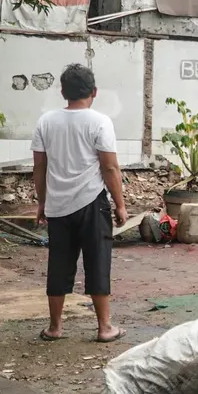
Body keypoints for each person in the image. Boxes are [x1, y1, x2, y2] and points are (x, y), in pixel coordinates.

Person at [32, 64, 128, 344]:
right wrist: (120, 204)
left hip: (58, 205)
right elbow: (110, 167)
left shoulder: (46, 122)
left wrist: (42, 202)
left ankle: (55, 327)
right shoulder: (100, 122)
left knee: (59, 263)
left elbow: (39, 167)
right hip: (92, 203)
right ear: (94, 92)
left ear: (63, 92)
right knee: (98, 261)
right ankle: (104, 327)